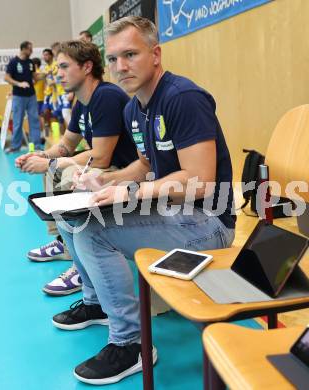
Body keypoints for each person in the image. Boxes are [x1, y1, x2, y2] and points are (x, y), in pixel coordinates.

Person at [53, 16, 236, 385]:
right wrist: (107, 179)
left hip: (210, 222)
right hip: (172, 210)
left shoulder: (183, 98)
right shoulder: (133, 108)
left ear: (155, 54)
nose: (121, 66)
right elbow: (146, 165)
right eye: (116, 57)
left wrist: (130, 192)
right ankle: (95, 303)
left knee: (94, 233)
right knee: (72, 217)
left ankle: (131, 343)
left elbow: (200, 182)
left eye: (131, 55)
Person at [15, 40, 138, 296]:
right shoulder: (83, 101)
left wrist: (50, 162)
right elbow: (67, 145)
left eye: (64, 66)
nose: (58, 73)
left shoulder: (106, 96)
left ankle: (83, 266)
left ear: (86, 67)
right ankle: (64, 243)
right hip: (107, 166)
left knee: (72, 175)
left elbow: (101, 158)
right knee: (54, 169)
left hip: (127, 172)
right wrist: (42, 155)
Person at [4, 41, 41, 152]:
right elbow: (6, 78)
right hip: (19, 96)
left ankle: (37, 145)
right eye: (30, 49)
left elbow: (35, 77)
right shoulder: (13, 62)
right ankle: (15, 146)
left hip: (31, 96)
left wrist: (45, 75)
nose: (32, 51)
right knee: (18, 121)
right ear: (23, 49)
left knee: (34, 120)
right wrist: (19, 83)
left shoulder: (30, 62)